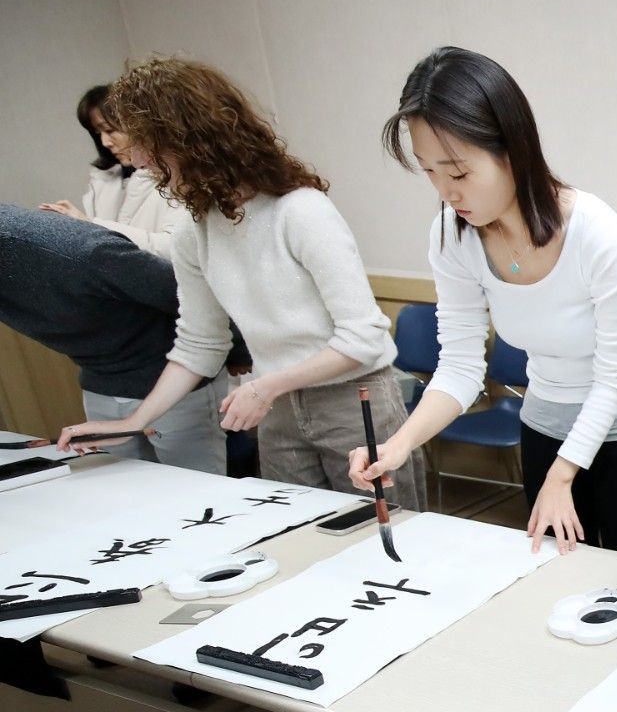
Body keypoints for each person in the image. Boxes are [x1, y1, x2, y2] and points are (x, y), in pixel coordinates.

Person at [61, 58, 426, 510]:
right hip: (275, 409)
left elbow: (364, 337)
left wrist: (264, 387)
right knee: (303, 536)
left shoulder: (300, 211)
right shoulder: (194, 231)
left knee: (387, 533)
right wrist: (134, 421)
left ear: (191, 138)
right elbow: (198, 344)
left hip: (354, 400)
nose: (137, 161)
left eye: (146, 146)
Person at [350, 46, 617, 554]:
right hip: (544, 423)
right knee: (557, 576)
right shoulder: (452, 236)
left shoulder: (596, 233)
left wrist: (565, 474)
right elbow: (458, 367)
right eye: (428, 172)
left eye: (457, 172)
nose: (446, 192)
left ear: (512, 149)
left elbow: (614, 376)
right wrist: (397, 445)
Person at [0, 203, 241, 473]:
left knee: (198, 486)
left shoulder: (80, 251)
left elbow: (193, 298)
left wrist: (238, 349)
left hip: (175, 373)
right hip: (99, 376)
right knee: (123, 482)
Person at [38, 84, 181, 259]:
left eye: (110, 130)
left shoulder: (175, 177)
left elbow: (176, 249)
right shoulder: (104, 180)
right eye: (98, 133)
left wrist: (90, 226)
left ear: (139, 126)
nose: (105, 142)